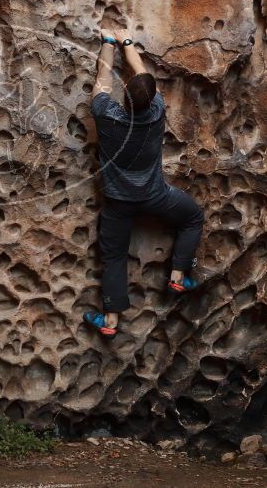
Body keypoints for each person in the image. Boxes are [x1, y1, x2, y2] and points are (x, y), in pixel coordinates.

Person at [82, 24, 205, 338]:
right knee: (192, 217)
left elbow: (103, 78)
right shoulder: (155, 114)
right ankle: (179, 274)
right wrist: (127, 41)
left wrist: (109, 41)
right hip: (155, 197)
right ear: (152, 100)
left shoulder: (107, 116)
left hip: (118, 203)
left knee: (114, 256)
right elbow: (141, 76)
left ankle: (111, 321)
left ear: (124, 97)